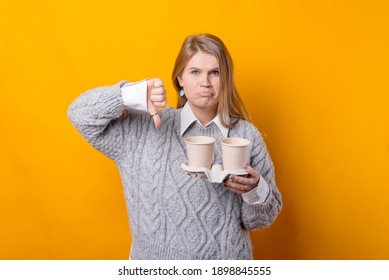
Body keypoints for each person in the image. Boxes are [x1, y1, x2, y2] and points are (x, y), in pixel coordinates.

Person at [67, 34, 282, 260]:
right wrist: (132, 94)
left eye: (215, 73)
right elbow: (80, 114)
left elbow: (260, 220)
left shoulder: (246, 135)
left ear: (225, 78)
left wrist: (255, 189)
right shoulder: (144, 128)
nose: (205, 82)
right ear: (180, 78)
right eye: (195, 72)